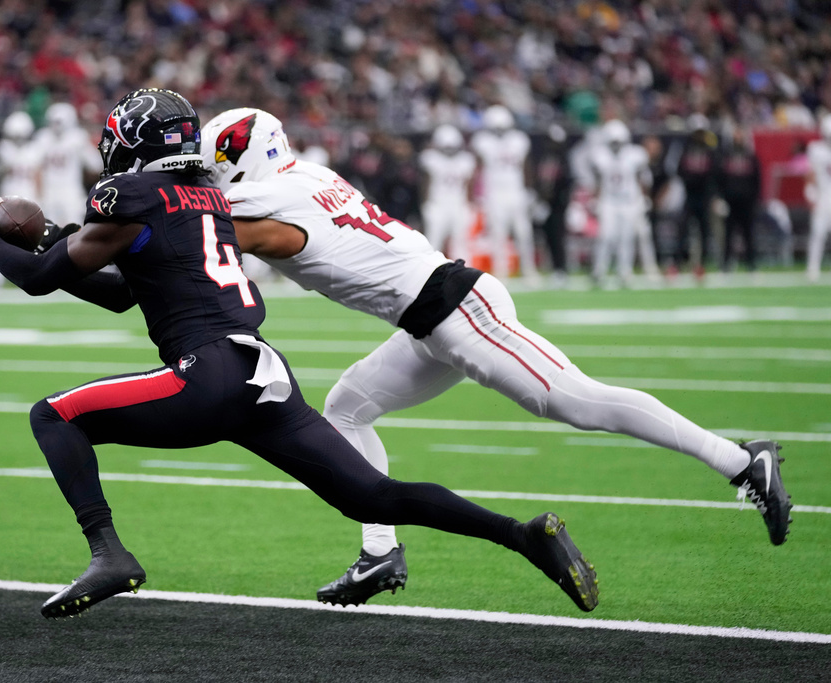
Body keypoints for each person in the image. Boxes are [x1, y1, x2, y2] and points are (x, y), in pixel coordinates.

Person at [0, 88, 602, 619]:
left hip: (208, 373)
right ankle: (523, 535)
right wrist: (39, 240)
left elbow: (43, 275)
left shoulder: (128, 195)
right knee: (374, 493)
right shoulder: (206, 199)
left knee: (55, 415)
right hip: (263, 370)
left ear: (132, 146)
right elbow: (116, 292)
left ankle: (109, 553)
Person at [199, 106, 793, 607]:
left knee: (578, 402)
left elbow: (211, 226)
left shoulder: (262, 198)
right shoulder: (303, 175)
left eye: (216, 164)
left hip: (458, 311)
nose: (212, 176)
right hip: (433, 315)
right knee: (348, 406)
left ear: (239, 157)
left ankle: (741, 462)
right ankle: (379, 554)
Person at [471, 105, 538, 281]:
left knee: (524, 233)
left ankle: (528, 269)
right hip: (495, 193)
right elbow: (478, 168)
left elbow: (525, 165)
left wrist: (529, 189)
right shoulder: (482, 140)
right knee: (498, 234)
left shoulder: (519, 139)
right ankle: (502, 271)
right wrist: (479, 194)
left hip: (516, 191)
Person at [586, 119, 656, 286]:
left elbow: (643, 177)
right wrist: (595, 197)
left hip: (629, 201)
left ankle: (624, 271)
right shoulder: (600, 155)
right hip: (609, 201)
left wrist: (644, 197)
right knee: (605, 236)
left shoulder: (635, 155)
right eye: (613, 142)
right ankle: (599, 270)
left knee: (627, 238)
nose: (616, 146)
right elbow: (597, 179)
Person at [32, 102, 100, 226]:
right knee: (67, 230)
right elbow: (96, 165)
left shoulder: (45, 137)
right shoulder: (77, 137)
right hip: (59, 191)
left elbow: (95, 165)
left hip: (63, 191)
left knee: (61, 230)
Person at [418, 124, 476, 263]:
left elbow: (468, 184)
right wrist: (425, 203)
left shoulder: (466, 160)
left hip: (458, 204)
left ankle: (465, 278)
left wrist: (470, 203)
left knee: (461, 244)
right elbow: (426, 183)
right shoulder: (430, 158)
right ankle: (428, 279)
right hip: (437, 204)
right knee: (433, 244)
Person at [673, 114, 718, 280]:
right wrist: (691, 181)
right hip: (690, 195)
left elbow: (714, 174)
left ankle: (701, 265)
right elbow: (679, 170)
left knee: (704, 232)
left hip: (704, 197)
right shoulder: (685, 148)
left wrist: (712, 195)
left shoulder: (710, 150)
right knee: (683, 230)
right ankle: (678, 263)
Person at [530, 123, 573, 284]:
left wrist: (554, 200)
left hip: (557, 205)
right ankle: (553, 267)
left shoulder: (563, 160)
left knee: (558, 237)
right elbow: (542, 181)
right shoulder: (546, 158)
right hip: (545, 205)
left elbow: (563, 184)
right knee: (547, 237)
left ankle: (561, 269)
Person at [716, 126, 761, 273]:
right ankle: (726, 264)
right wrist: (721, 198)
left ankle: (751, 263)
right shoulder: (726, 156)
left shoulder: (750, 156)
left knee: (748, 233)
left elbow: (757, 180)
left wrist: (755, 199)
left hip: (747, 201)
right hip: (730, 201)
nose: (738, 138)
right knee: (728, 234)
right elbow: (720, 179)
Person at [805, 113, 831, 283]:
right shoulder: (816, 149)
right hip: (824, 196)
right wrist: (810, 194)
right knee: (818, 233)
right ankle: (813, 267)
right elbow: (811, 174)